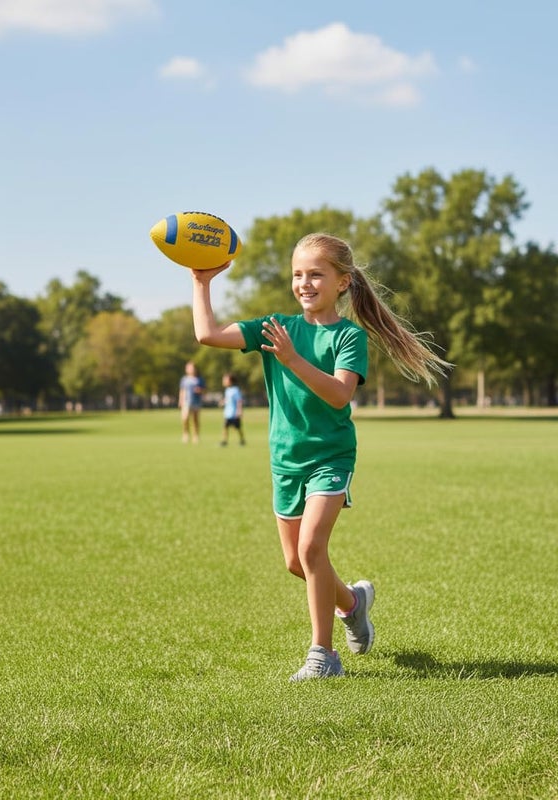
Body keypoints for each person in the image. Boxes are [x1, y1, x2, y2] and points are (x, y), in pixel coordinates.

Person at [188, 232, 449, 681]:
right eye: (297, 274)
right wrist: (201, 281)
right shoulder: (276, 327)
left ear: (343, 282)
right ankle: (352, 602)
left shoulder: (348, 337)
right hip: (285, 461)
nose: (304, 283)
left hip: (331, 457)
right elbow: (207, 334)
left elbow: (339, 395)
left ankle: (323, 657)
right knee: (297, 563)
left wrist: (291, 359)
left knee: (312, 549)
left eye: (316, 274)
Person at [178, 361, 204, 443]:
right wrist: (180, 400)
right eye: (188, 368)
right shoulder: (184, 379)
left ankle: (196, 435)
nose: (190, 369)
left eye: (191, 368)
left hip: (196, 401)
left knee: (195, 420)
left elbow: (204, 390)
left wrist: (199, 390)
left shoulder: (199, 379)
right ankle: (185, 433)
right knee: (185, 418)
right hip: (186, 401)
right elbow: (182, 390)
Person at [220, 373, 246, 446]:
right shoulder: (227, 390)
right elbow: (227, 399)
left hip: (234, 413)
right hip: (227, 413)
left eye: (225, 380)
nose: (224, 381)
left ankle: (242, 440)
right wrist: (223, 402)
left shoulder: (235, 390)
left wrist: (239, 411)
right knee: (225, 426)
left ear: (231, 381)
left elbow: (239, 401)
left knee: (237, 428)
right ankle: (224, 441)